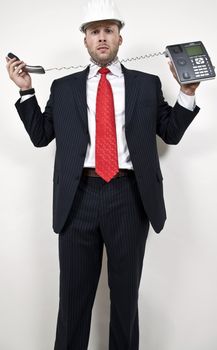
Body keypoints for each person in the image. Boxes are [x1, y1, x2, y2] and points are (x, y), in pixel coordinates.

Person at [6, 0, 200, 348]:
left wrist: (186, 92)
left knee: (125, 299)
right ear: (85, 41)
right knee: (73, 300)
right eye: (94, 32)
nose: (101, 38)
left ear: (119, 38)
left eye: (108, 30)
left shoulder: (146, 84)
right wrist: (25, 90)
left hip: (129, 197)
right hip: (78, 197)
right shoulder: (63, 88)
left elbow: (169, 133)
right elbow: (40, 136)